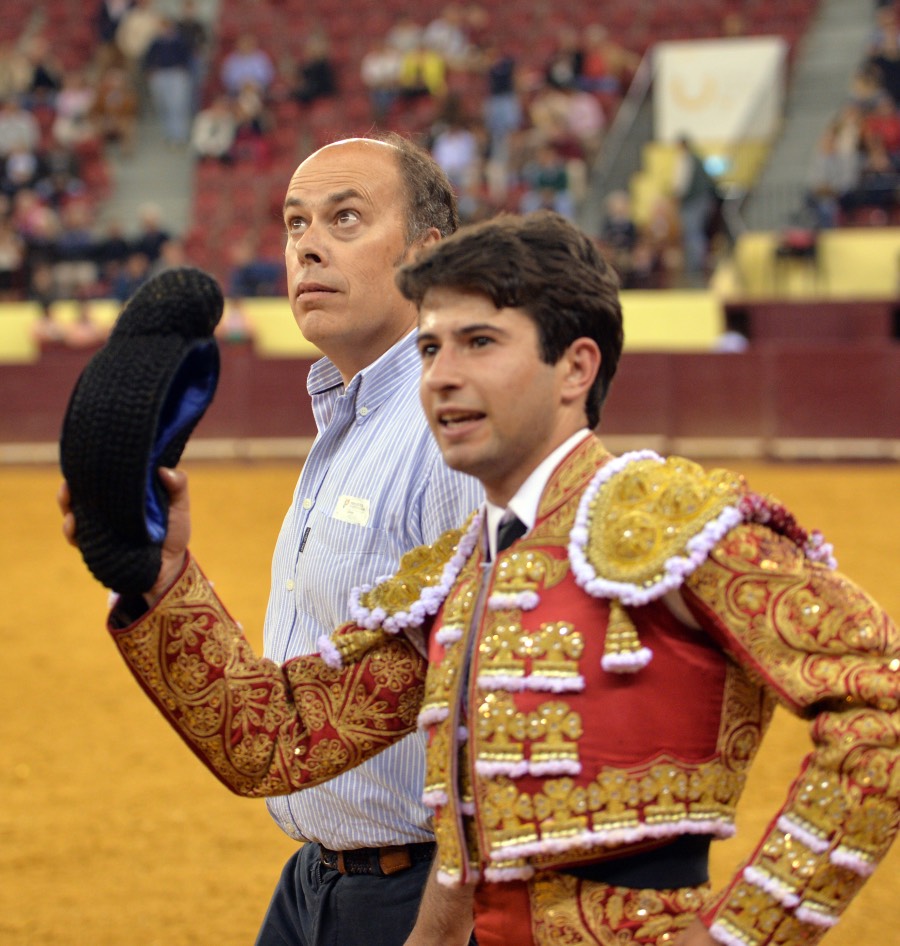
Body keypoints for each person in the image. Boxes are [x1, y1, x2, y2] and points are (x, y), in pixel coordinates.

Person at [62, 209, 899, 946]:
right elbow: (275, 738)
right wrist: (160, 577)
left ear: (576, 369)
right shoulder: (460, 578)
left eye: (480, 343)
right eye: (431, 347)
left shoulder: (674, 527)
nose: (442, 376)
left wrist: (740, 932)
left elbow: (881, 704)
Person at [62, 133, 483, 946]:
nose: (307, 246)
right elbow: (277, 721)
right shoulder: (352, 418)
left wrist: (443, 929)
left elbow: (493, 711)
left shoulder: (451, 429)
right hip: (317, 881)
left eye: (345, 218)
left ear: (427, 255)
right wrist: (161, 576)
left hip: (423, 899)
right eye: (295, 223)